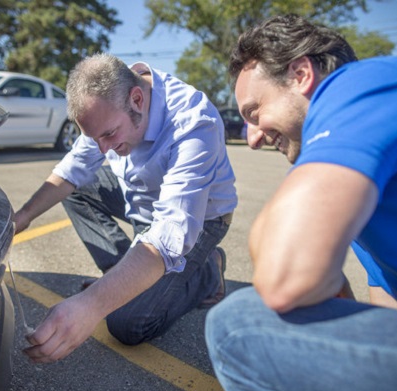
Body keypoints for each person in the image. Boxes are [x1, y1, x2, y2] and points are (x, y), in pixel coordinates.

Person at [205, 14, 397, 391]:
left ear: (301, 74)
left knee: (237, 329)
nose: (252, 137)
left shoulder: (360, 87)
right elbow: (385, 315)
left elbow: (282, 278)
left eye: (255, 113)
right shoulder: (360, 183)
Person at [15, 53, 238, 363]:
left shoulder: (193, 121)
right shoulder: (109, 105)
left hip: (200, 219)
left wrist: (92, 305)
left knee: (127, 324)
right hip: (143, 203)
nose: (103, 149)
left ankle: (208, 274)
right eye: (95, 138)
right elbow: (72, 170)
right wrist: (20, 218)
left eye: (109, 134)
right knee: (77, 189)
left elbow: (171, 233)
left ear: (137, 99)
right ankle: (125, 274)